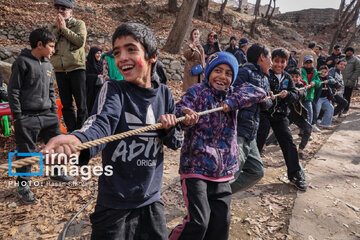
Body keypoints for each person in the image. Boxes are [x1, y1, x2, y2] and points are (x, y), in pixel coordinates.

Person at [42, 23, 184, 240]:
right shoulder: (115, 90)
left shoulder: (164, 94)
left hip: (151, 200)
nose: (122, 58)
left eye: (131, 49)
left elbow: (176, 142)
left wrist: (170, 128)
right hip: (114, 203)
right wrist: (76, 139)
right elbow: (101, 123)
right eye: (117, 52)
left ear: (152, 57)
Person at [169, 52, 266, 240]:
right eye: (218, 71)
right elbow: (178, 111)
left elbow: (259, 92)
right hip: (195, 167)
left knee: (221, 223)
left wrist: (231, 102)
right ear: (208, 73)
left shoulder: (234, 94)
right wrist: (186, 116)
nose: (223, 76)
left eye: (229, 73)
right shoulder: (197, 92)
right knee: (198, 222)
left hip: (223, 171)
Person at [8, 29, 72, 203]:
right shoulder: (22, 62)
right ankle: (23, 186)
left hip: (48, 116)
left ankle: (57, 172)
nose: (53, 50)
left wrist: (53, 112)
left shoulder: (48, 65)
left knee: (58, 145)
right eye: (51, 46)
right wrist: (18, 116)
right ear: (39, 45)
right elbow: (13, 91)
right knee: (26, 152)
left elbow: (51, 91)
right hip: (27, 116)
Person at [256, 48, 307, 191]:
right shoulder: (265, 74)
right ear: (271, 60)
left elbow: (295, 95)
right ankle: (249, 171)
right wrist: (268, 95)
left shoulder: (287, 77)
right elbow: (259, 91)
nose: (278, 64)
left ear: (287, 62)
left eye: (282, 62)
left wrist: (287, 95)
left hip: (281, 114)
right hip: (264, 113)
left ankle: (295, 175)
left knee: (288, 143)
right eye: (276, 61)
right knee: (258, 141)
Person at [230, 43, 273, 193]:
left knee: (257, 172)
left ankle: (220, 194)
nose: (272, 63)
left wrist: (265, 100)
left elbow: (267, 104)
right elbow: (233, 95)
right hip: (239, 130)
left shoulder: (265, 78)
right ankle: (214, 202)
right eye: (270, 58)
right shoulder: (244, 72)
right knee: (232, 172)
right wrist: (253, 97)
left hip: (252, 132)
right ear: (262, 57)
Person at [48, 0, 88, 132]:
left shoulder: (79, 24)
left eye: (63, 9)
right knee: (66, 104)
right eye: (58, 8)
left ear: (71, 11)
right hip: (60, 69)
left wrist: (64, 29)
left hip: (76, 68)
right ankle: (72, 130)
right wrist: (59, 29)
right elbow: (50, 44)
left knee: (81, 103)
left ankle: (82, 130)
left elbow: (80, 42)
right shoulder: (53, 28)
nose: (60, 11)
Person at [286, 68, 312, 159]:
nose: (294, 79)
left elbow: (303, 94)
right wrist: (291, 92)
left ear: (300, 77)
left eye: (297, 77)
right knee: (281, 131)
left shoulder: (301, 85)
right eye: (292, 77)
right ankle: (263, 146)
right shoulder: (285, 86)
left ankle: (300, 150)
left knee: (308, 128)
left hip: (298, 113)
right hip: (286, 113)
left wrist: (298, 91)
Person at [300, 55, 322, 132]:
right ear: (303, 63)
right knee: (297, 114)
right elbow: (302, 78)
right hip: (300, 95)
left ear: (313, 63)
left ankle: (307, 131)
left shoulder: (315, 72)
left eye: (310, 62)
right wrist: (306, 84)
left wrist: (314, 82)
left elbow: (319, 82)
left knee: (309, 112)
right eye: (307, 63)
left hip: (309, 96)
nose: (308, 64)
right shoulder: (301, 70)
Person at [316, 65, 335, 129]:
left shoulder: (328, 77)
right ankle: (312, 123)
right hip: (318, 98)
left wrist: (328, 81)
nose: (323, 73)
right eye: (322, 72)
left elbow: (333, 80)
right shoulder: (317, 77)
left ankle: (325, 124)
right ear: (318, 71)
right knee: (317, 110)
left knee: (330, 108)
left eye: (325, 72)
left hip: (325, 98)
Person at [342, 47, 360, 114]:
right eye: (348, 51)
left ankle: (346, 108)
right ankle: (340, 108)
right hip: (341, 81)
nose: (349, 52)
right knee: (341, 95)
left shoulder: (356, 60)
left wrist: (352, 80)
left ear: (353, 52)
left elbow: (357, 70)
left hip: (350, 81)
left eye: (351, 51)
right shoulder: (342, 59)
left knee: (347, 96)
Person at [86, 46, 103, 115]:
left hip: (100, 89)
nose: (99, 55)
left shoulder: (102, 63)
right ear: (93, 54)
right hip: (91, 91)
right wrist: (96, 76)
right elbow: (85, 76)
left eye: (100, 53)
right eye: (97, 53)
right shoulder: (87, 64)